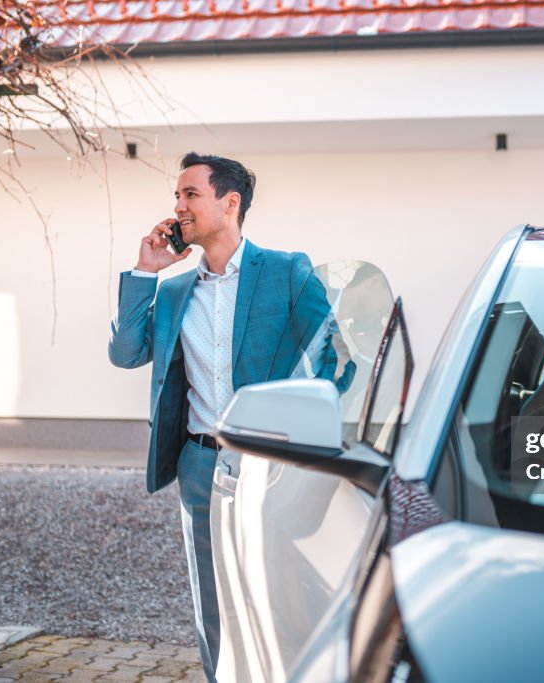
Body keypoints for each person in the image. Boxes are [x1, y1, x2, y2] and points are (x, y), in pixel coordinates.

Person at [108, 152, 332, 682]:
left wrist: (306, 430)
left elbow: (332, 356)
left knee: (277, 590)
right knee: (212, 599)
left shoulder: (285, 271)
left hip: (271, 462)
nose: (178, 206)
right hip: (201, 466)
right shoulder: (176, 290)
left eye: (191, 194)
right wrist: (146, 270)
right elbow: (124, 353)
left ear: (230, 203)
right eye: (177, 196)